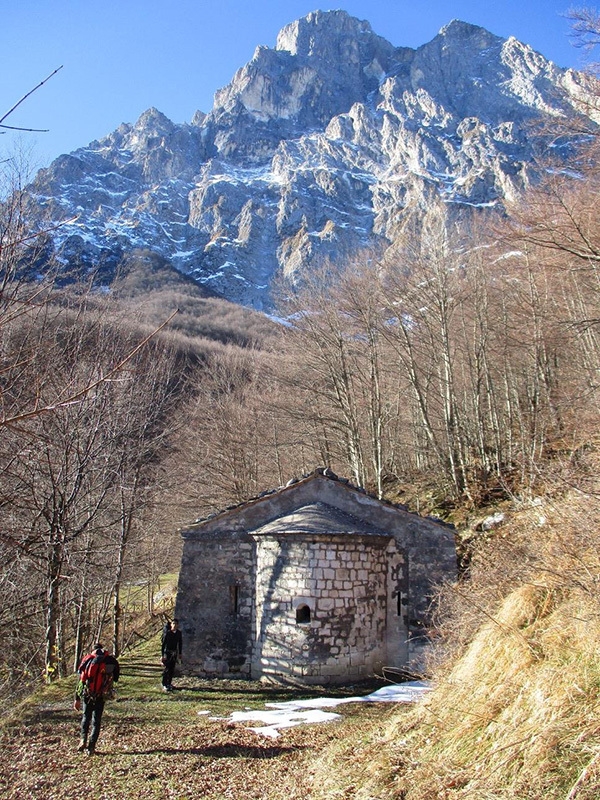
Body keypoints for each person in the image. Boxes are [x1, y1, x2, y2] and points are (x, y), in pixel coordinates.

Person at [75, 643, 120, 756]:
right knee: (96, 721)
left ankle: (83, 739)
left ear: (93, 650)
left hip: (88, 694)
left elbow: (81, 681)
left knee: (86, 717)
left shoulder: (88, 660)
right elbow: (116, 677)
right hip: (101, 695)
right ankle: (92, 746)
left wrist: (77, 698)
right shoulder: (110, 661)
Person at [161, 619, 182, 692]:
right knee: (167, 669)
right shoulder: (168, 633)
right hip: (167, 653)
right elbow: (163, 645)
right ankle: (164, 684)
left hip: (174, 653)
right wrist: (162, 655)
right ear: (171, 625)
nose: (174, 625)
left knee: (172, 669)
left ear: (178, 625)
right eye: (173, 623)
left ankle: (169, 683)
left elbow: (180, 643)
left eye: (176, 624)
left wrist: (180, 653)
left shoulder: (179, 633)